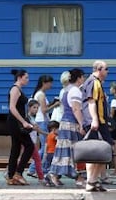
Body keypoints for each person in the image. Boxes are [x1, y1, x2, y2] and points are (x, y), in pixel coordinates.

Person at [47, 68, 86, 187]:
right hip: (71, 124)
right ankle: (77, 177)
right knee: (70, 152)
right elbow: (75, 109)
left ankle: (54, 174)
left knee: (63, 151)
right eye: (83, 76)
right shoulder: (75, 91)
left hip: (65, 123)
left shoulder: (66, 90)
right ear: (79, 78)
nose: (84, 79)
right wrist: (81, 124)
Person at [81, 60, 113, 192]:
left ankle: (93, 181)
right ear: (99, 69)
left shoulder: (94, 82)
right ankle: (91, 181)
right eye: (106, 69)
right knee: (101, 151)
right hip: (97, 122)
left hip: (99, 122)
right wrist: (94, 119)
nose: (107, 72)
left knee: (98, 152)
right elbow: (91, 102)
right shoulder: (94, 82)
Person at [6, 69, 33, 185]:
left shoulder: (18, 89)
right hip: (15, 122)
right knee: (29, 146)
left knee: (16, 148)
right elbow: (12, 108)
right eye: (26, 77)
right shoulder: (15, 89)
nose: (28, 80)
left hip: (16, 122)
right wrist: (23, 122)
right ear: (20, 77)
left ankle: (11, 176)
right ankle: (18, 173)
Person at [27, 75, 58, 177]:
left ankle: (33, 169)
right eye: (50, 83)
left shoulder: (39, 94)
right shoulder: (41, 95)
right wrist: (56, 104)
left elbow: (43, 108)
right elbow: (44, 110)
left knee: (44, 147)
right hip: (43, 122)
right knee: (46, 147)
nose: (51, 85)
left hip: (40, 121)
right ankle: (35, 169)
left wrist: (52, 103)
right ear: (45, 83)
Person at [26, 99, 47, 185]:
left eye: (37, 108)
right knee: (37, 159)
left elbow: (38, 130)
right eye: (34, 107)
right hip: (28, 142)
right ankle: (41, 178)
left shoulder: (32, 118)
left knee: (23, 159)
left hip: (31, 142)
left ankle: (9, 172)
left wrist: (48, 134)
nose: (36, 110)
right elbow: (33, 129)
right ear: (29, 107)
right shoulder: (27, 118)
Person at [109, 81, 116, 175]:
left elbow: (111, 115)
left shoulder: (114, 101)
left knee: (114, 149)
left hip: (115, 127)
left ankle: (115, 170)